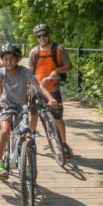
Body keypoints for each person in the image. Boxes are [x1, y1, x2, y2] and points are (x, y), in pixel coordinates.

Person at [0, 44, 57, 179]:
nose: (8, 62)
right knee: (5, 131)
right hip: (6, 105)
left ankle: (25, 164)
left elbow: (38, 86)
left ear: (17, 60)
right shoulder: (1, 72)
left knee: (25, 133)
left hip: (22, 107)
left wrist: (50, 98)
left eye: (11, 59)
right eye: (5, 59)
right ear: (2, 60)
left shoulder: (24, 71)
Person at [28, 24, 73, 158]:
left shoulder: (58, 50)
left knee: (57, 117)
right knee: (34, 115)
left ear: (49, 35)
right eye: (39, 36)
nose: (42, 38)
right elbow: (30, 72)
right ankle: (30, 140)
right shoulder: (34, 52)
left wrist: (57, 71)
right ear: (36, 38)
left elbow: (69, 66)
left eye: (44, 35)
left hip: (53, 88)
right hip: (37, 88)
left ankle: (64, 144)